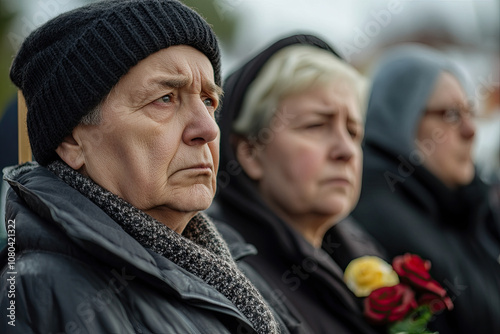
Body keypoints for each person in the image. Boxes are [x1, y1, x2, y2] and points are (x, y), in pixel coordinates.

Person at [0, 1, 286, 333]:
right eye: (166, 98)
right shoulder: (39, 294)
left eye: (209, 101)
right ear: (71, 141)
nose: (208, 129)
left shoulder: (233, 269)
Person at [208, 34, 385, 334]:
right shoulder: (226, 280)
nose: (345, 151)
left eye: (353, 131)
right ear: (250, 152)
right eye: (316, 125)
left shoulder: (365, 254)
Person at [351, 44, 500, 334]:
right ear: (400, 121)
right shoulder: (381, 212)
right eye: (451, 115)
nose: (471, 131)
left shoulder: (457, 204)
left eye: (470, 112)